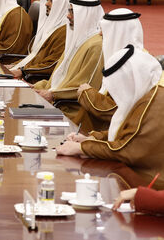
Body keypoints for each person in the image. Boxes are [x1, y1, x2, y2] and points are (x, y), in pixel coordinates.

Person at [57, 44, 164, 178]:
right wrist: (91, 138)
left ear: (131, 79)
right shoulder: (147, 92)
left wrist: (81, 148)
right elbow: (128, 131)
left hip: (153, 180)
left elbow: (128, 149)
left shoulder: (156, 101)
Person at [33, 0, 104, 123]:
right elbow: (60, 77)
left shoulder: (96, 46)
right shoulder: (77, 39)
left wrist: (53, 94)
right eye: (69, 11)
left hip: (71, 111)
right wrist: (39, 86)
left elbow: (87, 87)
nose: (68, 16)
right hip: (55, 101)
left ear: (86, 16)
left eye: (73, 12)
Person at [77, 8, 145, 132]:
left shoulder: (131, 65)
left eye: (104, 30)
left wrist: (87, 93)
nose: (100, 34)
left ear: (118, 32)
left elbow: (120, 112)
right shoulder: (121, 58)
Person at [9, 0, 72, 79]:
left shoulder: (65, 32)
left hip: (36, 79)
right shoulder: (49, 26)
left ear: (62, 5)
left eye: (51, 0)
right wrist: (15, 65)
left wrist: (22, 71)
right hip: (27, 73)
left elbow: (51, 65)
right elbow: (34, 56)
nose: (46, 4)